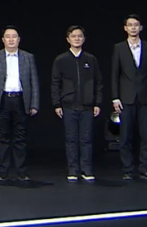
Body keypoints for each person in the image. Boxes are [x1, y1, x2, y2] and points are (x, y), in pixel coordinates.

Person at [0, 27, 39, 183]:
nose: (11, 39)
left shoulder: (28, 57)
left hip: (21, 100)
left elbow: (34, 82)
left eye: (14, 36)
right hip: (3, 100)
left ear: (19, 39)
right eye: (8, 37)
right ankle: (3, 172)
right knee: (2, 137)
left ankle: (22, 172)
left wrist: (34, 103)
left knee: (20, 138)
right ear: (3, 40)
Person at [110, 15, 147, 180]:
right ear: (125, 28)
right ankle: (128, 169)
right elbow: (115, 74)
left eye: (136, 25)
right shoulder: (119, 48)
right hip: (126, 98)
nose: (133, 28)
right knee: (125, 136)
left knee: (146, 135)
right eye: (130, 25)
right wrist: (115, 97)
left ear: (141, 27)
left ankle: (144, 168)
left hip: (145, 97)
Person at [51, 25, 102, 182]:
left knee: (86, 139)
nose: (77, 38)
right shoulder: (61, 60)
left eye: (79, 36)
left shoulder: (91, 60)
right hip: (68, 106)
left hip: (87, 106)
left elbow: (98, 83)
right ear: (68, 39)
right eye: (73, 36)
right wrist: (57, 104)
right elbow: (55, 83)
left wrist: (97, 103)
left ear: (84, 39)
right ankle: (73, 170)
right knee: (71, 140)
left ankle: (86, 169)